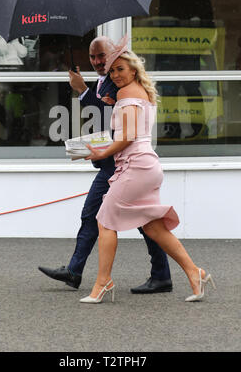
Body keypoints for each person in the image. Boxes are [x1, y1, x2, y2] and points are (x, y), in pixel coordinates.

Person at [79, 35, 216, 304]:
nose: (116, 75)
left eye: (121, 69)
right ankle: (195, 273)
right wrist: (114, 105)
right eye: (112, 70)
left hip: (135, 165)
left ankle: (103, 282)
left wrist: (99, 152)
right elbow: (133, 125)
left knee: (104, 220)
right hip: (146, 166)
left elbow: (127, 136)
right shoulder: (139, 92)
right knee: (154, 228)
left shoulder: (127, 94)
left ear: (133, 69)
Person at [38, 36, 173, 294]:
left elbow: (111, 115)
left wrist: (83, 90)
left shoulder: (120, 81)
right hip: (116, 160)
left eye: (103, 56)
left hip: (125, 163)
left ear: (117, 56)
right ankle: (77, 271)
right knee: (109, 217)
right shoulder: (107, 79)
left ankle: (159, 274)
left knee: (139, 221)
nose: (99, 62)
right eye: (93, 57)